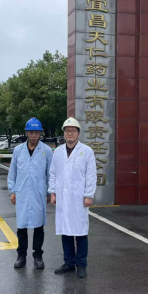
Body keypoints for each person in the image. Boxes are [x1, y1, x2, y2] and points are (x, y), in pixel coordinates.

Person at [49, 117, 97, 279]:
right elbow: (53, 173)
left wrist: (88, 195)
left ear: (78, 133)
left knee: (81, 233)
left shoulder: (86, 151)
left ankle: (81, 264)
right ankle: (69, 263)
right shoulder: (58, 152)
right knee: (66, 232)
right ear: (64, 133)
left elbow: (91, 175)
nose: (70, 134)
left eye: (73, 131)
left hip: (79, 199)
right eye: (67, 131)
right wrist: (53, 192)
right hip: (63, 198)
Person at [7, 117, 53, 269]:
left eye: (36, 133)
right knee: (22, 226)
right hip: (21, 193)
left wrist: (49, 192)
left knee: (39, 226)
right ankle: (21, 256)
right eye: (31, 132)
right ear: (27, 133)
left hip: (39, 193)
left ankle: (38, 256)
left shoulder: (46, 151)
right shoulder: (18, 150)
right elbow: (12, 172)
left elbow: (50, 174)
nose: (34, 135)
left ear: (40, 133)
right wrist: (12, 191)